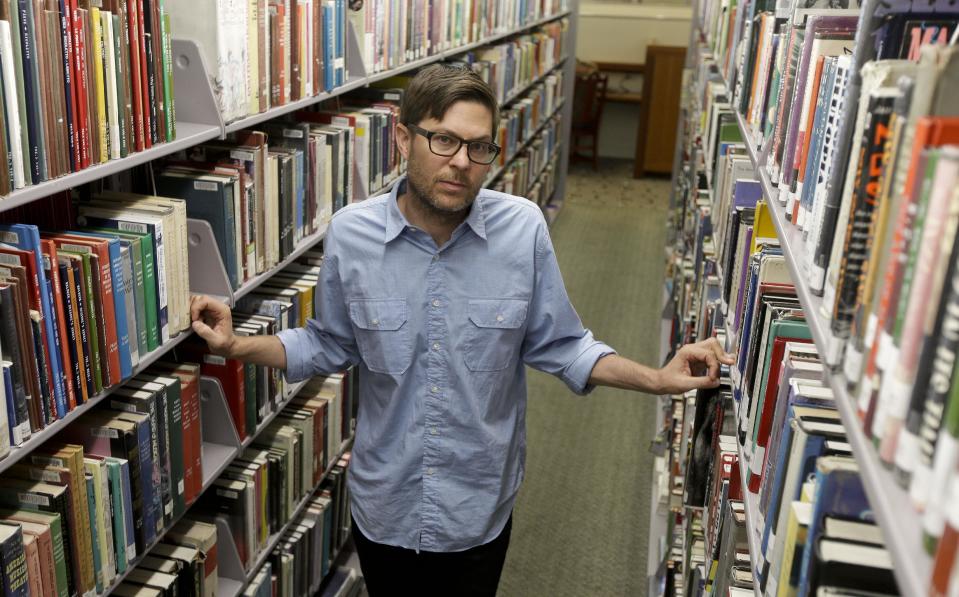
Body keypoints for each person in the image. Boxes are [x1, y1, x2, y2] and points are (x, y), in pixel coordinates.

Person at [190, 62, 734, 596]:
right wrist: (238, 345)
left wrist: (660, 380)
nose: (461, 163)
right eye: (443, 141)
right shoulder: (352, 235)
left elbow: (566, 346)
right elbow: (328, 342)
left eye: (479, 148)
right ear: (403, 140)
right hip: (386, 505)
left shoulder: (521, 230)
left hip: (477, 507)